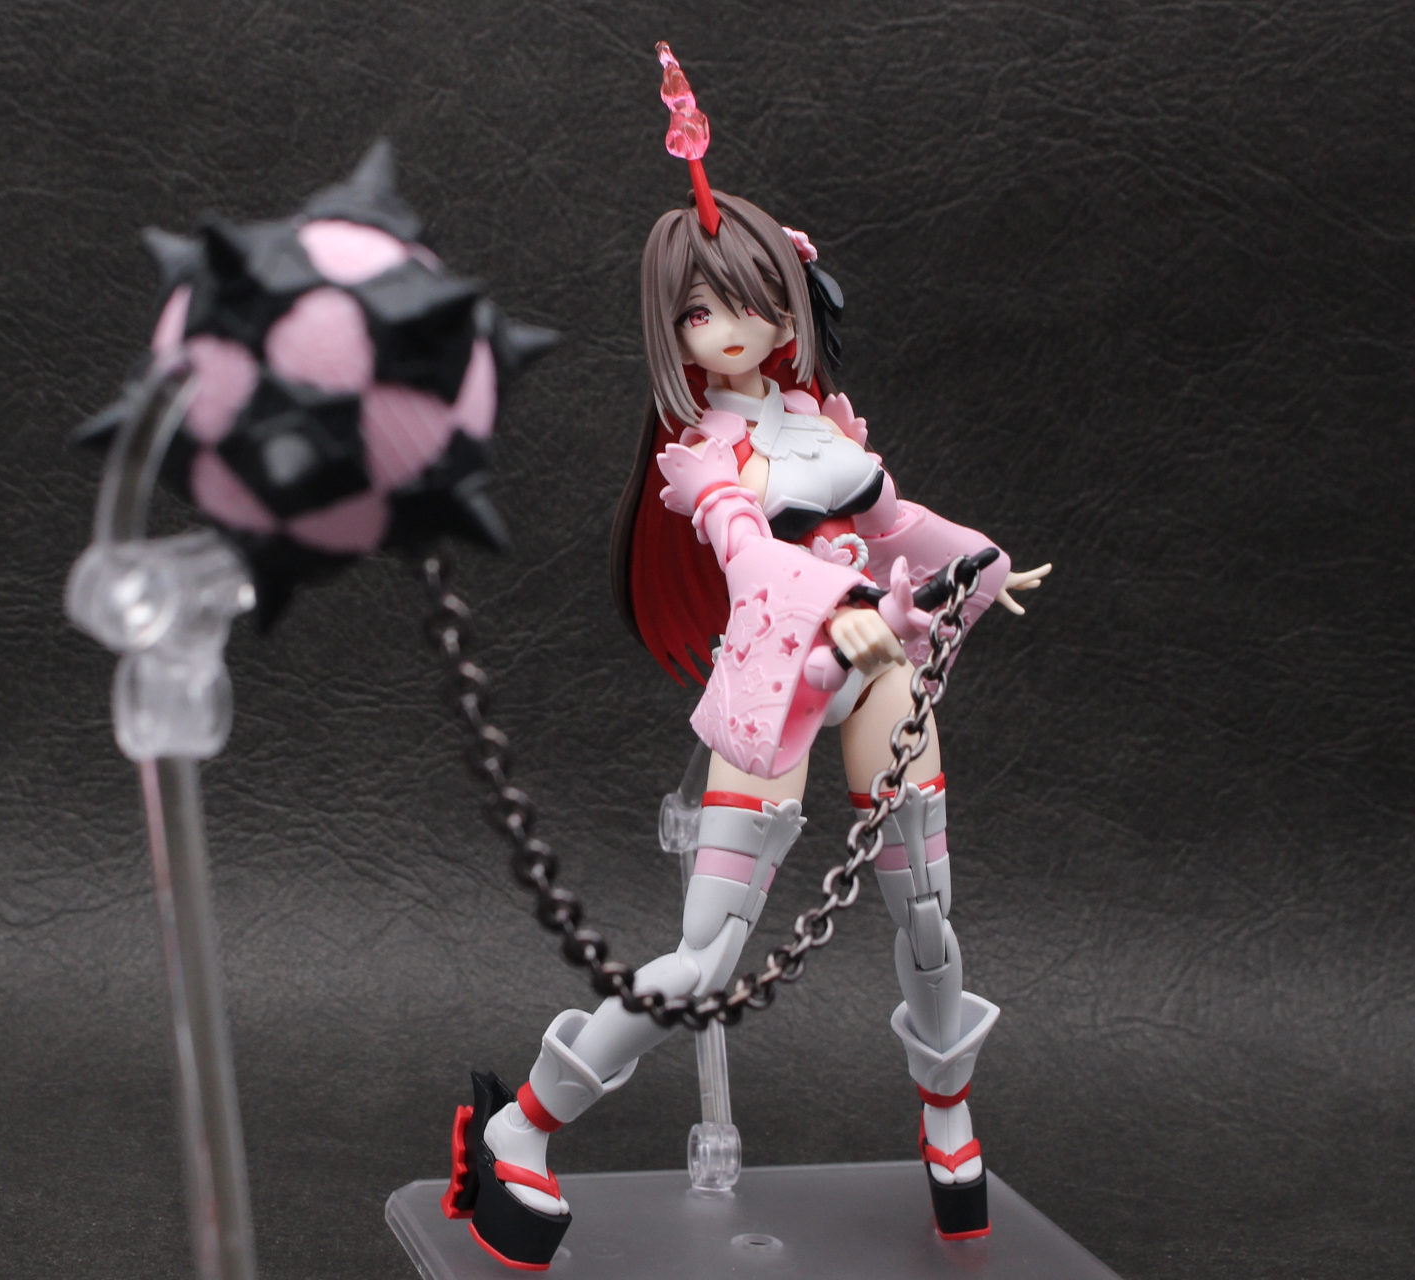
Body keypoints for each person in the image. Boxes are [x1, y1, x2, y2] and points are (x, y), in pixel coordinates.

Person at [440, 45, 1051, 1270]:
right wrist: (843, 607)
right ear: (676, 330)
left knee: (926, 905)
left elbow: (894, 518)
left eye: (749, 298)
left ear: (789, 297)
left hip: (880, 670)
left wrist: (978, 562)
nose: (726, 327)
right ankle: (518, 1127)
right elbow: (752, 561)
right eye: (698, 311)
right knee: (708, 950)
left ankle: (947, 1115)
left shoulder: (816, 420)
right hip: (777, 679)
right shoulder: (704, 457)